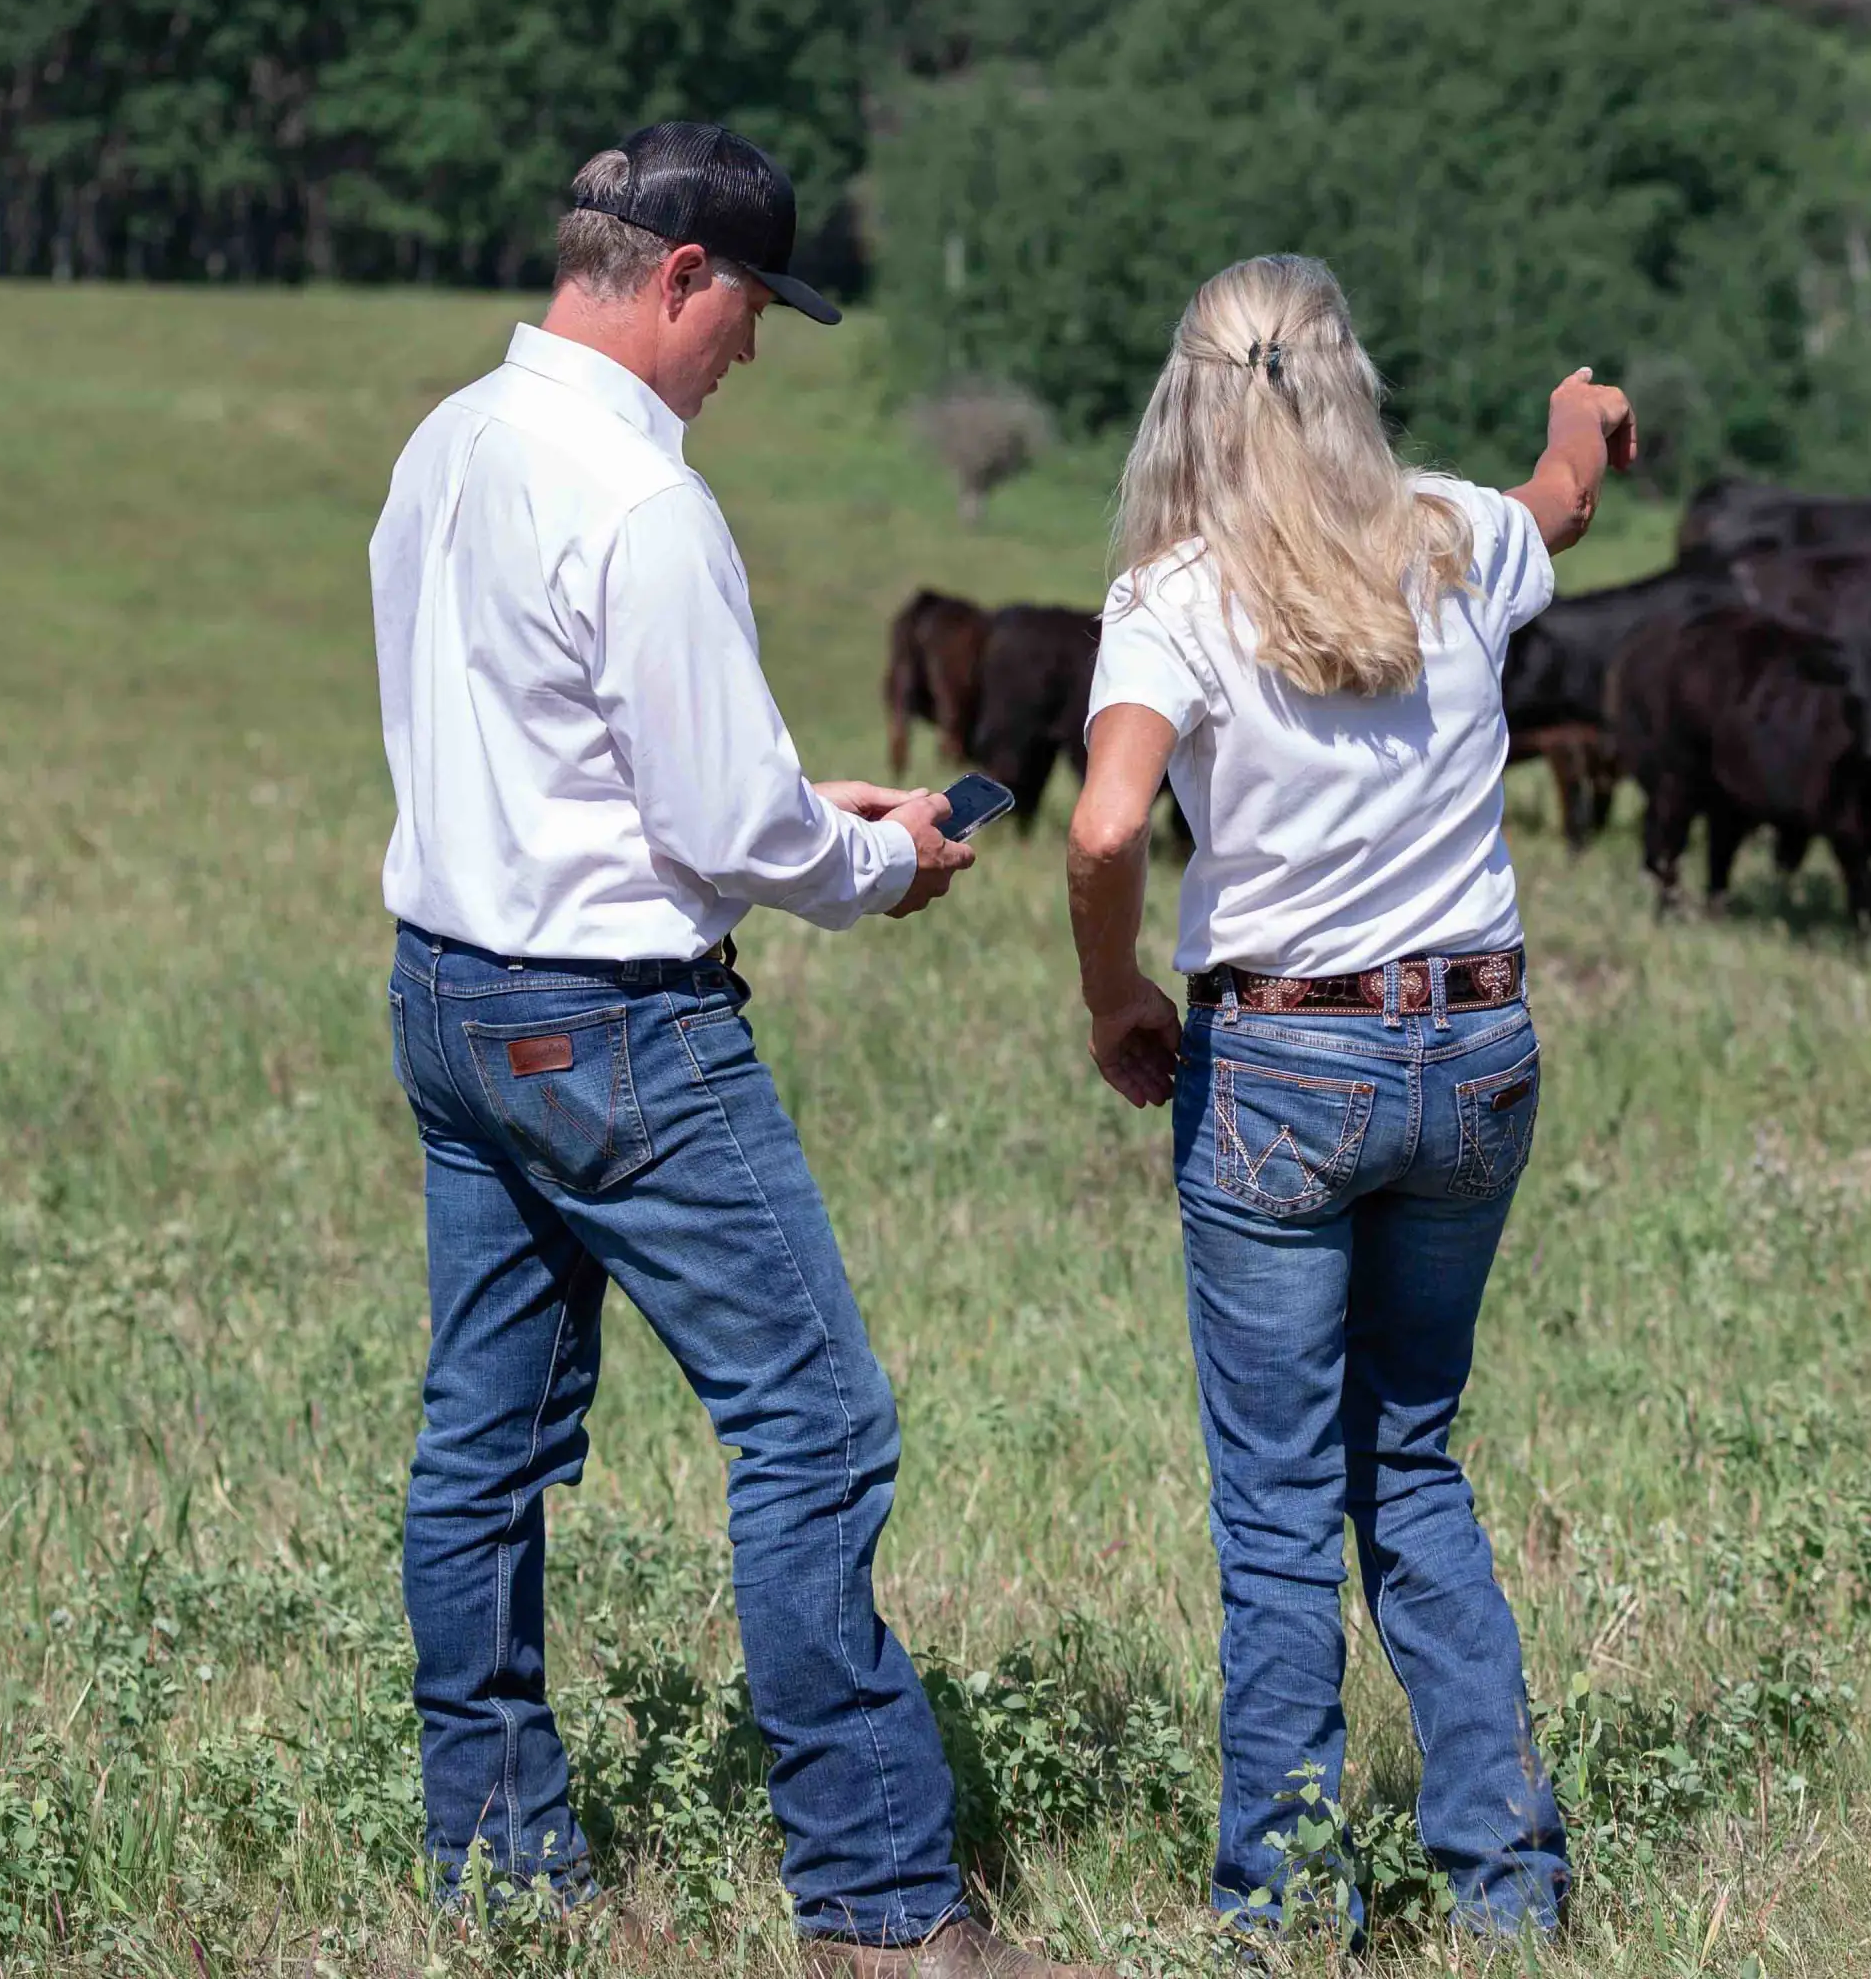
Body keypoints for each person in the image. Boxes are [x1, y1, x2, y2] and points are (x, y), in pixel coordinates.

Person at [370, 123, 1105, 1977]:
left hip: (455, 991)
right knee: (816, 1425)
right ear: (681, 276)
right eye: (754, 311)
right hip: (615, 1027)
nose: (754, 353)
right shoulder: (643, 499)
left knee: (483, 1448)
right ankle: (876, 1910)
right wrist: (880, 857)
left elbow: (567, 749)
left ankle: (500, 1868)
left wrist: (792, 802)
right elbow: (723, 832)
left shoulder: (446, 442)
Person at [1063, 254, 1632, 1944]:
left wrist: (1112, 994)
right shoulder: (1456, 536)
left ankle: (1291, 1905)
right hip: (1472, 1049)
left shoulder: (1173, 594)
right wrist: (1579, 417)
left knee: (1278, 1503)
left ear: (1192, 398)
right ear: (1350, 380)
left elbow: (1103, 828)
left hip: (1283, 1069)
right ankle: (1507, 1887)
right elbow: (1568, 499)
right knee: (1413, 1458)